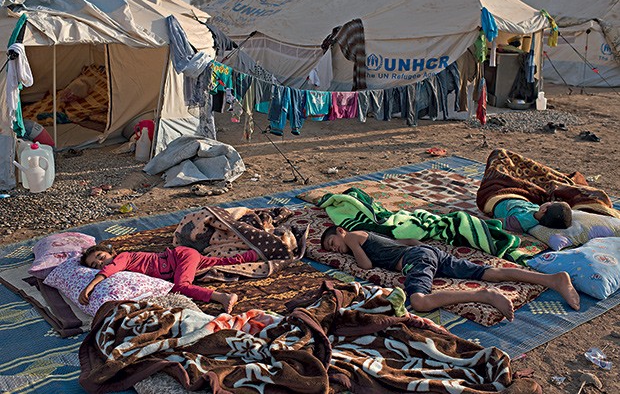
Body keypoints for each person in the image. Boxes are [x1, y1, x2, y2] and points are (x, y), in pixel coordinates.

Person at [320, 226, 580, 321]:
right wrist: (422, 248)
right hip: (427, 252)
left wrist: (351, 246)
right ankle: (552, 279)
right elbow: (406, 241)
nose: (336, 250)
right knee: (490, 271)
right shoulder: (370, 237)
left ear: (340, 231)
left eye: (333, 244)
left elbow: (365, 267)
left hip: (415, 259)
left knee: (419, 301)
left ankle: (483, 296)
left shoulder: (353, 236)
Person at [79, 245, 259, 313]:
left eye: (101, 257)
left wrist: (90, 286)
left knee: (180, 286)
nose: (102, 263)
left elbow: (111, 268)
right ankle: (255, 254)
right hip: (183, 259)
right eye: (96, 265)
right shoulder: (123, 272)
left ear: (112, 253)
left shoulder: (123, 257)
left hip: (180, 256)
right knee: (221, 263)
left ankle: (221, 296)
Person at [493, 199, 572, 233]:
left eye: (552, 202)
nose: (550, 201)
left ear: (544, 210)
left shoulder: (522, 222)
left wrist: (481, 217)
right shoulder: (537, 209)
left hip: (497, 202)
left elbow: (497, 222)